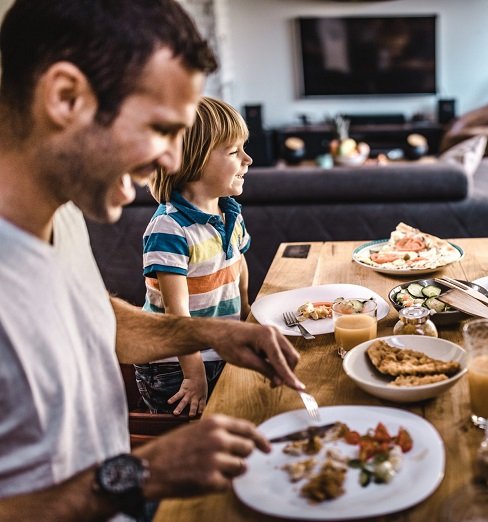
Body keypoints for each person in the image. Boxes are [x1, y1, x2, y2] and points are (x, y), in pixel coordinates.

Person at [0, 1, 304, 520]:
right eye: (162, 128)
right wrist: (144, 474)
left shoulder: (63, 212)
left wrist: (211, 334)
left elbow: (95, 318)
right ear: (65, 97)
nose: (170, 159)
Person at [136, 97, 253, 417]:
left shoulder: (228, 211)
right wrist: (193, 374)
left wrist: (245, 314)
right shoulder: (170, 227)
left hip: (218, 349)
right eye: (233, 152)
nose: (248, 159)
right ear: (192, 161)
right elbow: (177, 313)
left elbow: (237, 263)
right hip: (175, 366)